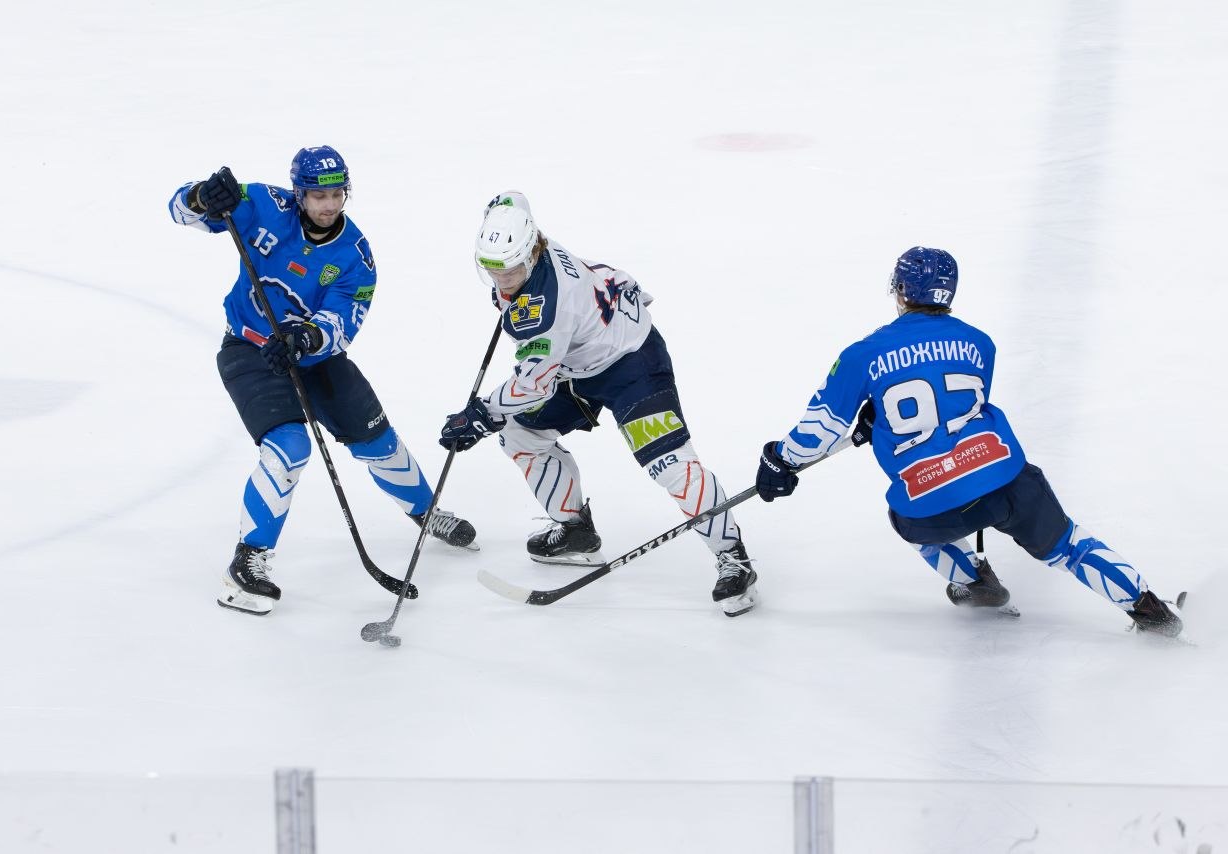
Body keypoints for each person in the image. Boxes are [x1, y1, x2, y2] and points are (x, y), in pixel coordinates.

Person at [755, 246, 1183, 636]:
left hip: (928, 501)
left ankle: (977, 584)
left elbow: (822, 428)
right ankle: (1150, 611)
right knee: (1069, 545)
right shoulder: (980, 343)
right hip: (1003, 477)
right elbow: (960, 406)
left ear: (901, 290)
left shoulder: (862, 354)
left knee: (913, 525)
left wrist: (781, 460)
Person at [169, 146, 478, 616]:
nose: (329, 205)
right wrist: (199, 196)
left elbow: (345, 319)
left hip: (314, 357)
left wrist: (308, 337)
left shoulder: (356, 255)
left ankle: (426, 513)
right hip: (250, 351)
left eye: (337, 194)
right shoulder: (264, 205)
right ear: (299, 194)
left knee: (379, 440)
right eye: (318, 195)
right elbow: (179, 211)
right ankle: (247, 561)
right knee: (290, 447)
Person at [438, 192, 758, 617]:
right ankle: (575, 533)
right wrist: (498, 209)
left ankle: (734, 558)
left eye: (510, 270)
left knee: (670, 464)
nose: (501, 280)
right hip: (578, 362)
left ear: (531, 253)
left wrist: (482, 414)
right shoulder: (526, 239)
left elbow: (533, 385)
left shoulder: (545, 309)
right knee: (521, 433)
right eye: (491, 269)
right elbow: (513, 199)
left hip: (631, 363)